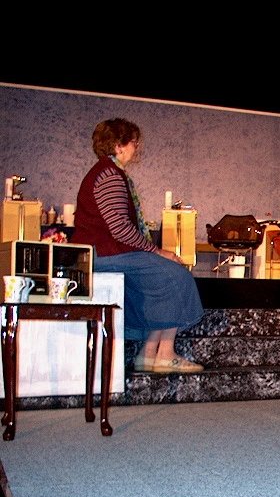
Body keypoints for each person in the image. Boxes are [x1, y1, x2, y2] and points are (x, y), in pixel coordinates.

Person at [72, 118, 204, 373]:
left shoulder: (105, 171)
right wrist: (157, 251)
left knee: (162, 280)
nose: (137, 147)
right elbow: (120, 229)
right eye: (134, 142)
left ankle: (148, 355)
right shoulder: (109, 175)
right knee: (176, 275)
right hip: (105, 252)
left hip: (103, 251)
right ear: (118, 145)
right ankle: (165, 354)